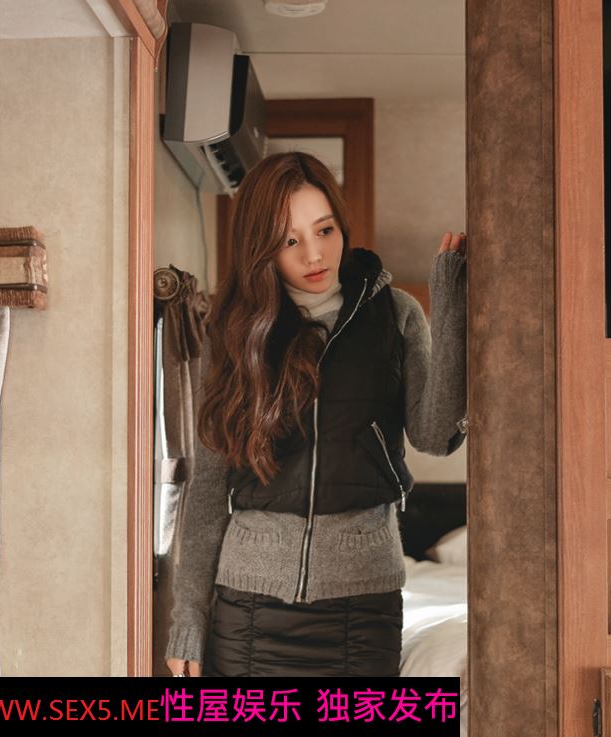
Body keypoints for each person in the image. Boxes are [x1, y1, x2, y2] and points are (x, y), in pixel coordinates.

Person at [164, 151, 467, 677]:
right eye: (289, 240)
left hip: (363, 609)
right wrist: (188, 617)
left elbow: (436, 435)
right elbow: (209, 490)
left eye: (325, 230)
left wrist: (451, 309)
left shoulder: (395, 315)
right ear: (262, 248)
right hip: (249, 610)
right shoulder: (232, 332)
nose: (314, 254)